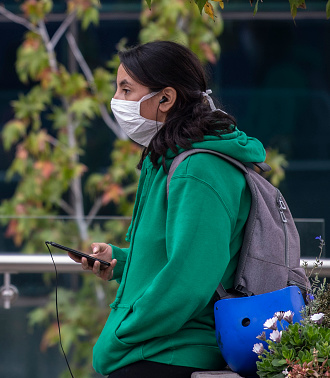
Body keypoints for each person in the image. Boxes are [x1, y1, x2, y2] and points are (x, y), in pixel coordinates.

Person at [68, 41, 267, 377]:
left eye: (127, 90)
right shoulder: (169, 159)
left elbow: (190, 280)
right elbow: (180, 257)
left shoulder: (199, 170)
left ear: (165, 98)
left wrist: (122, 334)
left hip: (173, 355)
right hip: (159, 351)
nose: (117, 101)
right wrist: (119, 262)